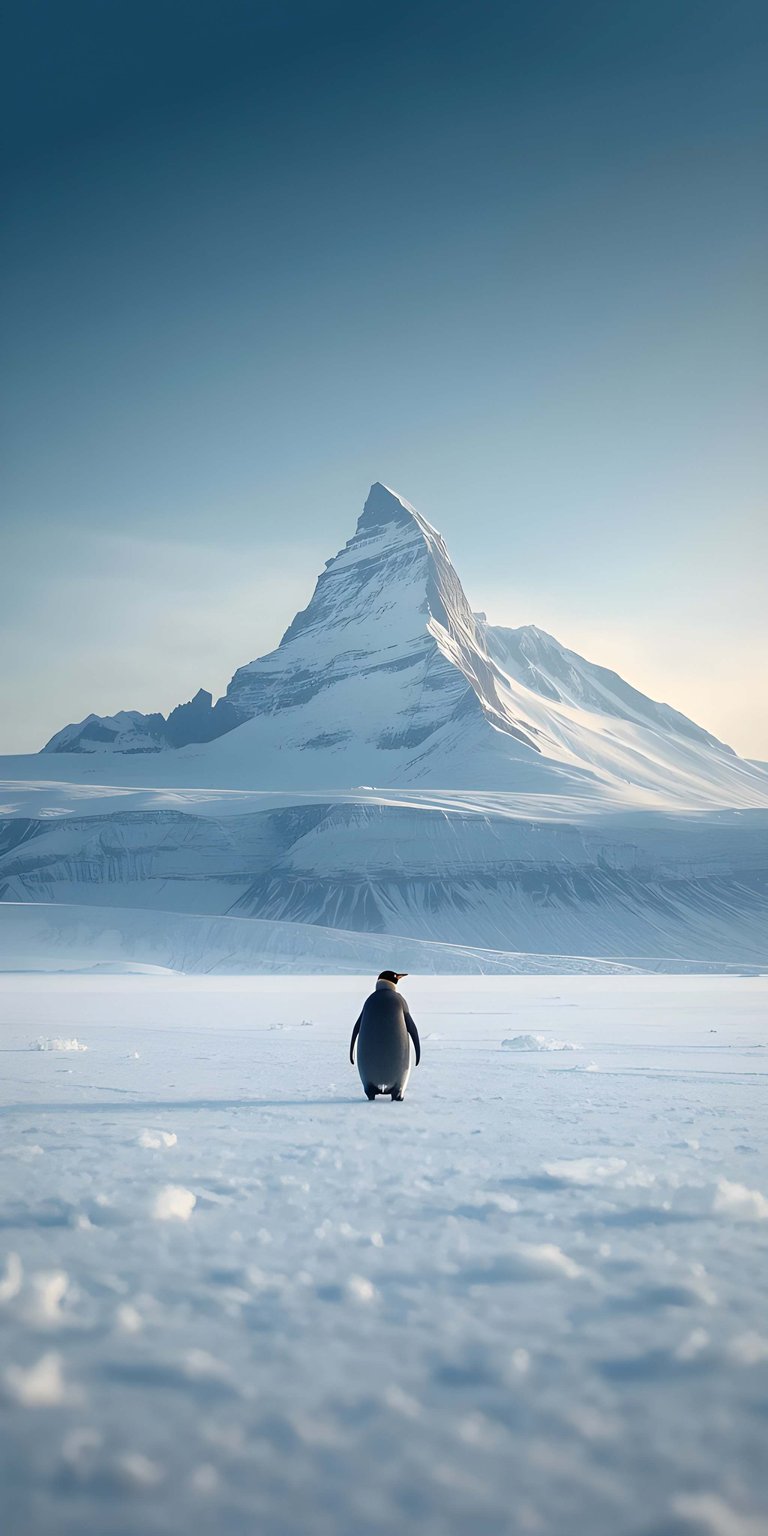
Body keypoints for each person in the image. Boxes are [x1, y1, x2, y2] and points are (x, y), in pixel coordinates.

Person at [349, 971, 421, 1101]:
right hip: (398, 1060)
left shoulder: (370, 1001)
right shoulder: (399, 1000)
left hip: (369, 1065)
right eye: (396, 976)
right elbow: (412, 1027)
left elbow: (357, 1028)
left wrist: (351, 1052)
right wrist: (417, 1049)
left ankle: (369, 1088)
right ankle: (398, 1090)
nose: (399, 977)